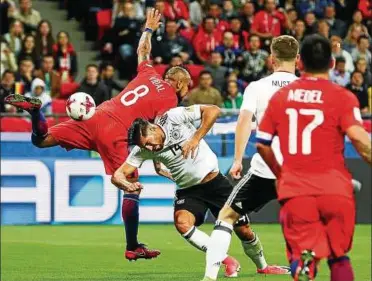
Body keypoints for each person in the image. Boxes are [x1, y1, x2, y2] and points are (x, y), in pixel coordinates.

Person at [5, 8, 191, 262]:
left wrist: (148, 29)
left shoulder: (148, 73)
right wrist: (158, 164)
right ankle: (133, 245)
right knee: (131, 189)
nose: (186, 90)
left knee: (41, 139)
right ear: (179, 83)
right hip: (116, 132)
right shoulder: (169, 98)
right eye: (186, 85)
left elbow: (143, 51)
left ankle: (36, 112)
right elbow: (155, 134)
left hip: (96, 115)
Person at [111, 105, 290, 276]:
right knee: (182, 223)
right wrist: (128, 185)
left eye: (148, 143)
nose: (149, 149)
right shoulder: (142, 151)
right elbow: (117, 176)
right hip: (188, 190)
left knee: (243, 230)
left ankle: (263, 266)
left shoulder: (173, 117)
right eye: (145, 147)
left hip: (216, 185)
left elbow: (213, 110)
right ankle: (226, 260)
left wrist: (196, 137)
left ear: (152, 129)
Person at [254, 34, 371, 281]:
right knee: (339, 257)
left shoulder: (281, 98)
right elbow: (361, 141)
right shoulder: (343, 97)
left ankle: (305, 262)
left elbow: (262, 144)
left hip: (296, 190)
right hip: (335, 189)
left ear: (301, 63)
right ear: (331, 64)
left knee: (301, 254)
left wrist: (280, 174)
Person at [201, 35, 300, 281]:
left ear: (271, 59)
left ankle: (210, 278)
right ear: (297, 58)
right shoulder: (308, 89)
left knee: (227, 216)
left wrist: (237, 160)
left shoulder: (257, 87)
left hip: (265, 169)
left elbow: (244, 120)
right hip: (300, 170)